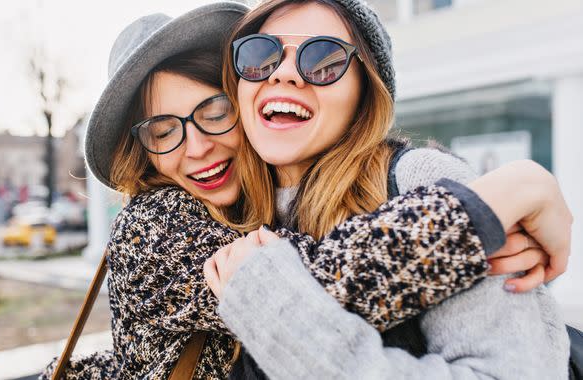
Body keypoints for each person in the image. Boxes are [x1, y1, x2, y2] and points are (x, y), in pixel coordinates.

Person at [40, 2, 571, 379]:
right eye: (162, 131)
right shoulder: (160, 223)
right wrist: (493, 201)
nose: (196, 147)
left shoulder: (414, 179)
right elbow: (325, 278)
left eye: (214, 112)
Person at [203, 0, 571, 378]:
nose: (283, 73)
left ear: (364, 93)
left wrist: (277, 312)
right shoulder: (216, 214)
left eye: (324, 60)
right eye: (259, 54)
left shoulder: (422, 182)